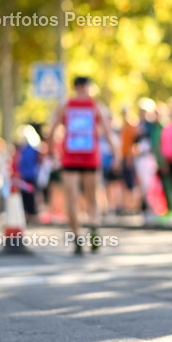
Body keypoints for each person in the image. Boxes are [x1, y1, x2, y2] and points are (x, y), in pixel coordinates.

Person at [50, 77, 119, 255]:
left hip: (70, 159)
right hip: (90, 158)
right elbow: (108, 132)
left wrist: (50, 152)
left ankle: (77, 238)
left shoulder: (65, 105)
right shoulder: (96, 106)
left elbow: (52, 130)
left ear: (74, 87)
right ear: (88, 87)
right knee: (92, 197)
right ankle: (94, 228)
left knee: (71, 199)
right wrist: (116, 154)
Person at [15, 125, 41, 227]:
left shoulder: (32, 149)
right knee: (25, 197)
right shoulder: (22, 150)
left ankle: (32, 215)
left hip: (31, 176)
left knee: (31, 197)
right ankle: (27, 215)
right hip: (24, 177)